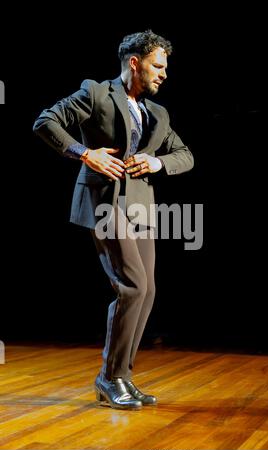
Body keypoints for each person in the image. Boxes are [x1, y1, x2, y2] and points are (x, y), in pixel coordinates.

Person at [33, 30, 194, 410]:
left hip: (141, 207)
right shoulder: (96, 93)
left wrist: (158, 162)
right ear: (134, 63)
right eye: (158, 66)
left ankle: (123, 375)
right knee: (133, 287)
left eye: (166, 67)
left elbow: (185, 155)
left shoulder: (158, 113)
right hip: (105, 203)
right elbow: (45, 121)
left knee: (148, 291)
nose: (164, 74)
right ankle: (109, 377)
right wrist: (85, 153)